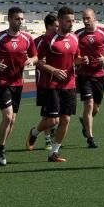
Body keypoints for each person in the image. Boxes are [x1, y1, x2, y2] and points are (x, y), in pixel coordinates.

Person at [0, 6, 37, 166]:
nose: (20, 21)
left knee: (12, 119)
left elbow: (35, 55)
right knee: (7, 116)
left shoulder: (27, 38)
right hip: (2, 83)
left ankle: (0, 148)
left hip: (18, 83)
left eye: (21, 19)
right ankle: (1, 149)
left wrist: (31, 60)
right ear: (9, 19)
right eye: (17, 19)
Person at [27, 6, 80, 163]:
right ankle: (35, 132)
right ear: (61, 20)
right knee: (53, 121)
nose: (71, 24)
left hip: (70, 84)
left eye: (73, 21)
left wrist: (82, 61)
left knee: (66, 120)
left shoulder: (75, 39)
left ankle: (53, 153)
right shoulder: (48, 40)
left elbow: (76, 59)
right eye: (69, 21)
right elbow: (38, 62)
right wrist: (54, 70)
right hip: (52, 85)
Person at [74, 8, 104, 149]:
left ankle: (84, 121)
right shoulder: (77, 35)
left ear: (94, 18)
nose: (85, 21)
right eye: (83, 18)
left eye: (88, 18)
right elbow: (72, 56)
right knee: (89, 104)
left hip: (100, 76)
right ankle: (90, 138)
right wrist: (80, 60)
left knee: (95, 109)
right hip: (84, 75)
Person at [33, 13, 59, 150]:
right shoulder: (39, 42)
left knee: (56, 115)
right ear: (49, 26)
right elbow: (34, 60)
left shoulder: (60, 39)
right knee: (48, 114)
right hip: (44, 82)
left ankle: (45, 133)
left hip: (59, 82)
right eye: (56, 26)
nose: (58, 28)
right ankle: (47, 139)